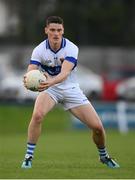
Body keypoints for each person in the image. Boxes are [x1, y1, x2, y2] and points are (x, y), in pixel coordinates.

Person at [21, 16, 120, 169]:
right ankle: (28, 157)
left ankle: (104, 156)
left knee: (98, 128)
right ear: (46, 30)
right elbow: (32, 68)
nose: (56, 33)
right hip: (51, 90)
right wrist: (28, 79)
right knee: (37, 115)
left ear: (63, 31)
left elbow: (65, 73)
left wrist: (49, 81)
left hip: (70, 89)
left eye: (59, 30)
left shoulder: (71, 48)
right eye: (52, 30)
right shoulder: (39, 49)